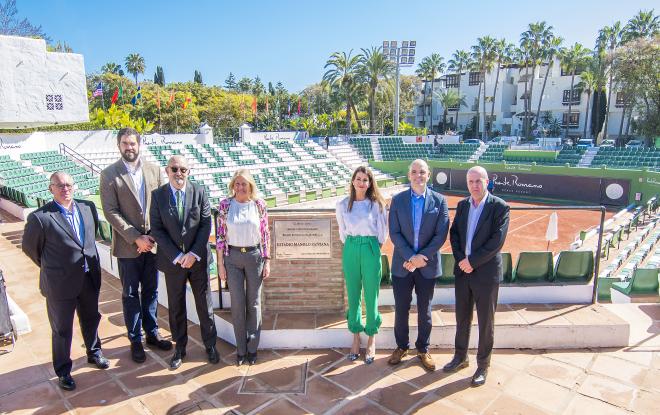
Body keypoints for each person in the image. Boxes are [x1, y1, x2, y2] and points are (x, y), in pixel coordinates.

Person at [22, 172, 109, 391]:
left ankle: (94, 352)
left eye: (69, 184)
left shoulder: (88, 207)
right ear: (51, 189)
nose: (65, 188)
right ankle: (63, 370)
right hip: (60, 284)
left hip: (88, 277)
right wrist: (55, 268)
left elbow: (89, 241)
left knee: (91, 318)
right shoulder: (40, 217)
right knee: (61, 329)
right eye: (59, 185)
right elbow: (31, 249)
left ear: (75, 186)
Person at [100, 127, 172, 364]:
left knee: (151, 291)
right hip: (127, 247)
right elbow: (110, 211)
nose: (129, 147)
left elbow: (161, 204)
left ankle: (152, 333)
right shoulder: (110, 174)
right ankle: (135, 339)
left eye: (132, 143)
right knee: (131, 294)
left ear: (139, 145)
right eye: (124, 143)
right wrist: (135, 237)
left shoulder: (154, 170)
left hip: (151, 245)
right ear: (119, 146)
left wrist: (150, 237)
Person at [149, 155, 218, 370]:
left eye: (183, 170)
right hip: (174, 262)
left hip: (197, 260)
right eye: (175, 169)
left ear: (189, 172)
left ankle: (210, 345)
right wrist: (178, 256)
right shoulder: (158, 196)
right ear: (167, 170)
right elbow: (157, 230)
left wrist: (193, 254)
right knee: (176, 306)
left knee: (204, 305)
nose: (179, 173)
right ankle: (180, 347)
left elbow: (206, 225)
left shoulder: (199, 191)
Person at [443, 166, 509, 387]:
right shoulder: (462, 206)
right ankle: (460, 357)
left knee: (485, 322)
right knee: (462, 318)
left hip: (486, 274)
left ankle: (483, 365)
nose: (474, 185)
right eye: (470, 182)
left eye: (478, 181)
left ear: (487, 181)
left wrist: (471, 261)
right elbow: (455, 235)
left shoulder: (500, 207)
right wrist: (463, 260)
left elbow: (496, 242)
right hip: (463, 271)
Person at [387, 159, 449, 371]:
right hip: (402, 265)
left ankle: (423, 349)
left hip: (427, 265)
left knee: (425, 310)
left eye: (422, 172)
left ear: (428, 175)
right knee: (401, 309)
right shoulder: (397, 200)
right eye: (414, 172)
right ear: (409, 174)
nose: (418, 175)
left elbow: (441, 234)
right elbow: (394, 232)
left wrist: (421, 257)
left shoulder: (440, 201)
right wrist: (410, 257)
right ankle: (401, 347)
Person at [215, 169, 271, 366]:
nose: (240, 187)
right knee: (237, 304)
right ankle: (241, 349)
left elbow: (265, 235)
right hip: (232, 258)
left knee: (254, 304)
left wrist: (267, 260)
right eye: (237, 183)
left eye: (244, 184)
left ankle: (252, 348)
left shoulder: (259, 205)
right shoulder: (225, 205)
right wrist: (220, 264)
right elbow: (221, 237)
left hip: (255, 257)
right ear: (232, 185)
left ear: (250, 186)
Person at [336, 166, 387, 364]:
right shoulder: (342, 205)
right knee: (353, 293)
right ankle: (356, 336)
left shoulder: (376, 205)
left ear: (370, 183)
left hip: (371, 248)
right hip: (351, 248)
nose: (361, 183)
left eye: (365, 180)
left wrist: (371, 247)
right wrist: (353, 246)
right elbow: (342, 232)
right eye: (358, 178)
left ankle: (372, 336)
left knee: (371, 294)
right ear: (353, 181)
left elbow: (383, 233)